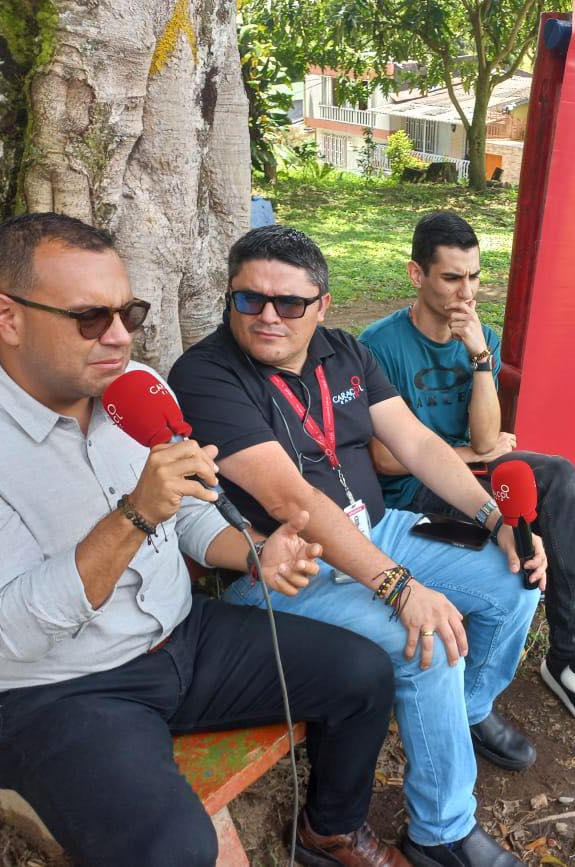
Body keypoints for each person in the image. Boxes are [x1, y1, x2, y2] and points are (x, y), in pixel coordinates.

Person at [0, 213, 405, 867]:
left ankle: (329, 830)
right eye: (89, 317)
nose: (118, 337)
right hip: (59, 686)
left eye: (127, 313)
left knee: (364, 672)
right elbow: (8, 628)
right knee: (176, 848)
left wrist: (254, 550)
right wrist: (134, 514)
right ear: (7, 316)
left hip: (181, 634)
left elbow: (185, 512)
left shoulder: (136, 388)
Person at [168, 226, 545, 867]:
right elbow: (292, 500)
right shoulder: (207, 375)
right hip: (289, 566)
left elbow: (418, 444)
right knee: (426, 642)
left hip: (376, 527)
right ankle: (442, 833)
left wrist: (494, 519)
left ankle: (464, 712)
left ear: (322, 305)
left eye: (290, 302)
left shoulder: (343, 351)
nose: (267, 316)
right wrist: (400, 587)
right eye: (249, 299)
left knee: (513, 580)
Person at [359, 211, 575, 736]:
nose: (466, 292)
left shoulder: (483, 337)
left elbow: (485, 439)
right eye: (452, 277)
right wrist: (469, 455)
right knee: (546, 521)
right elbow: (386, 459)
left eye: (474, 276)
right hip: (414, 496)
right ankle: (513, 681)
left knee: (558, 478)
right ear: (416, 274)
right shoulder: (378, 345)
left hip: (469, 479)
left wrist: (479, 357)